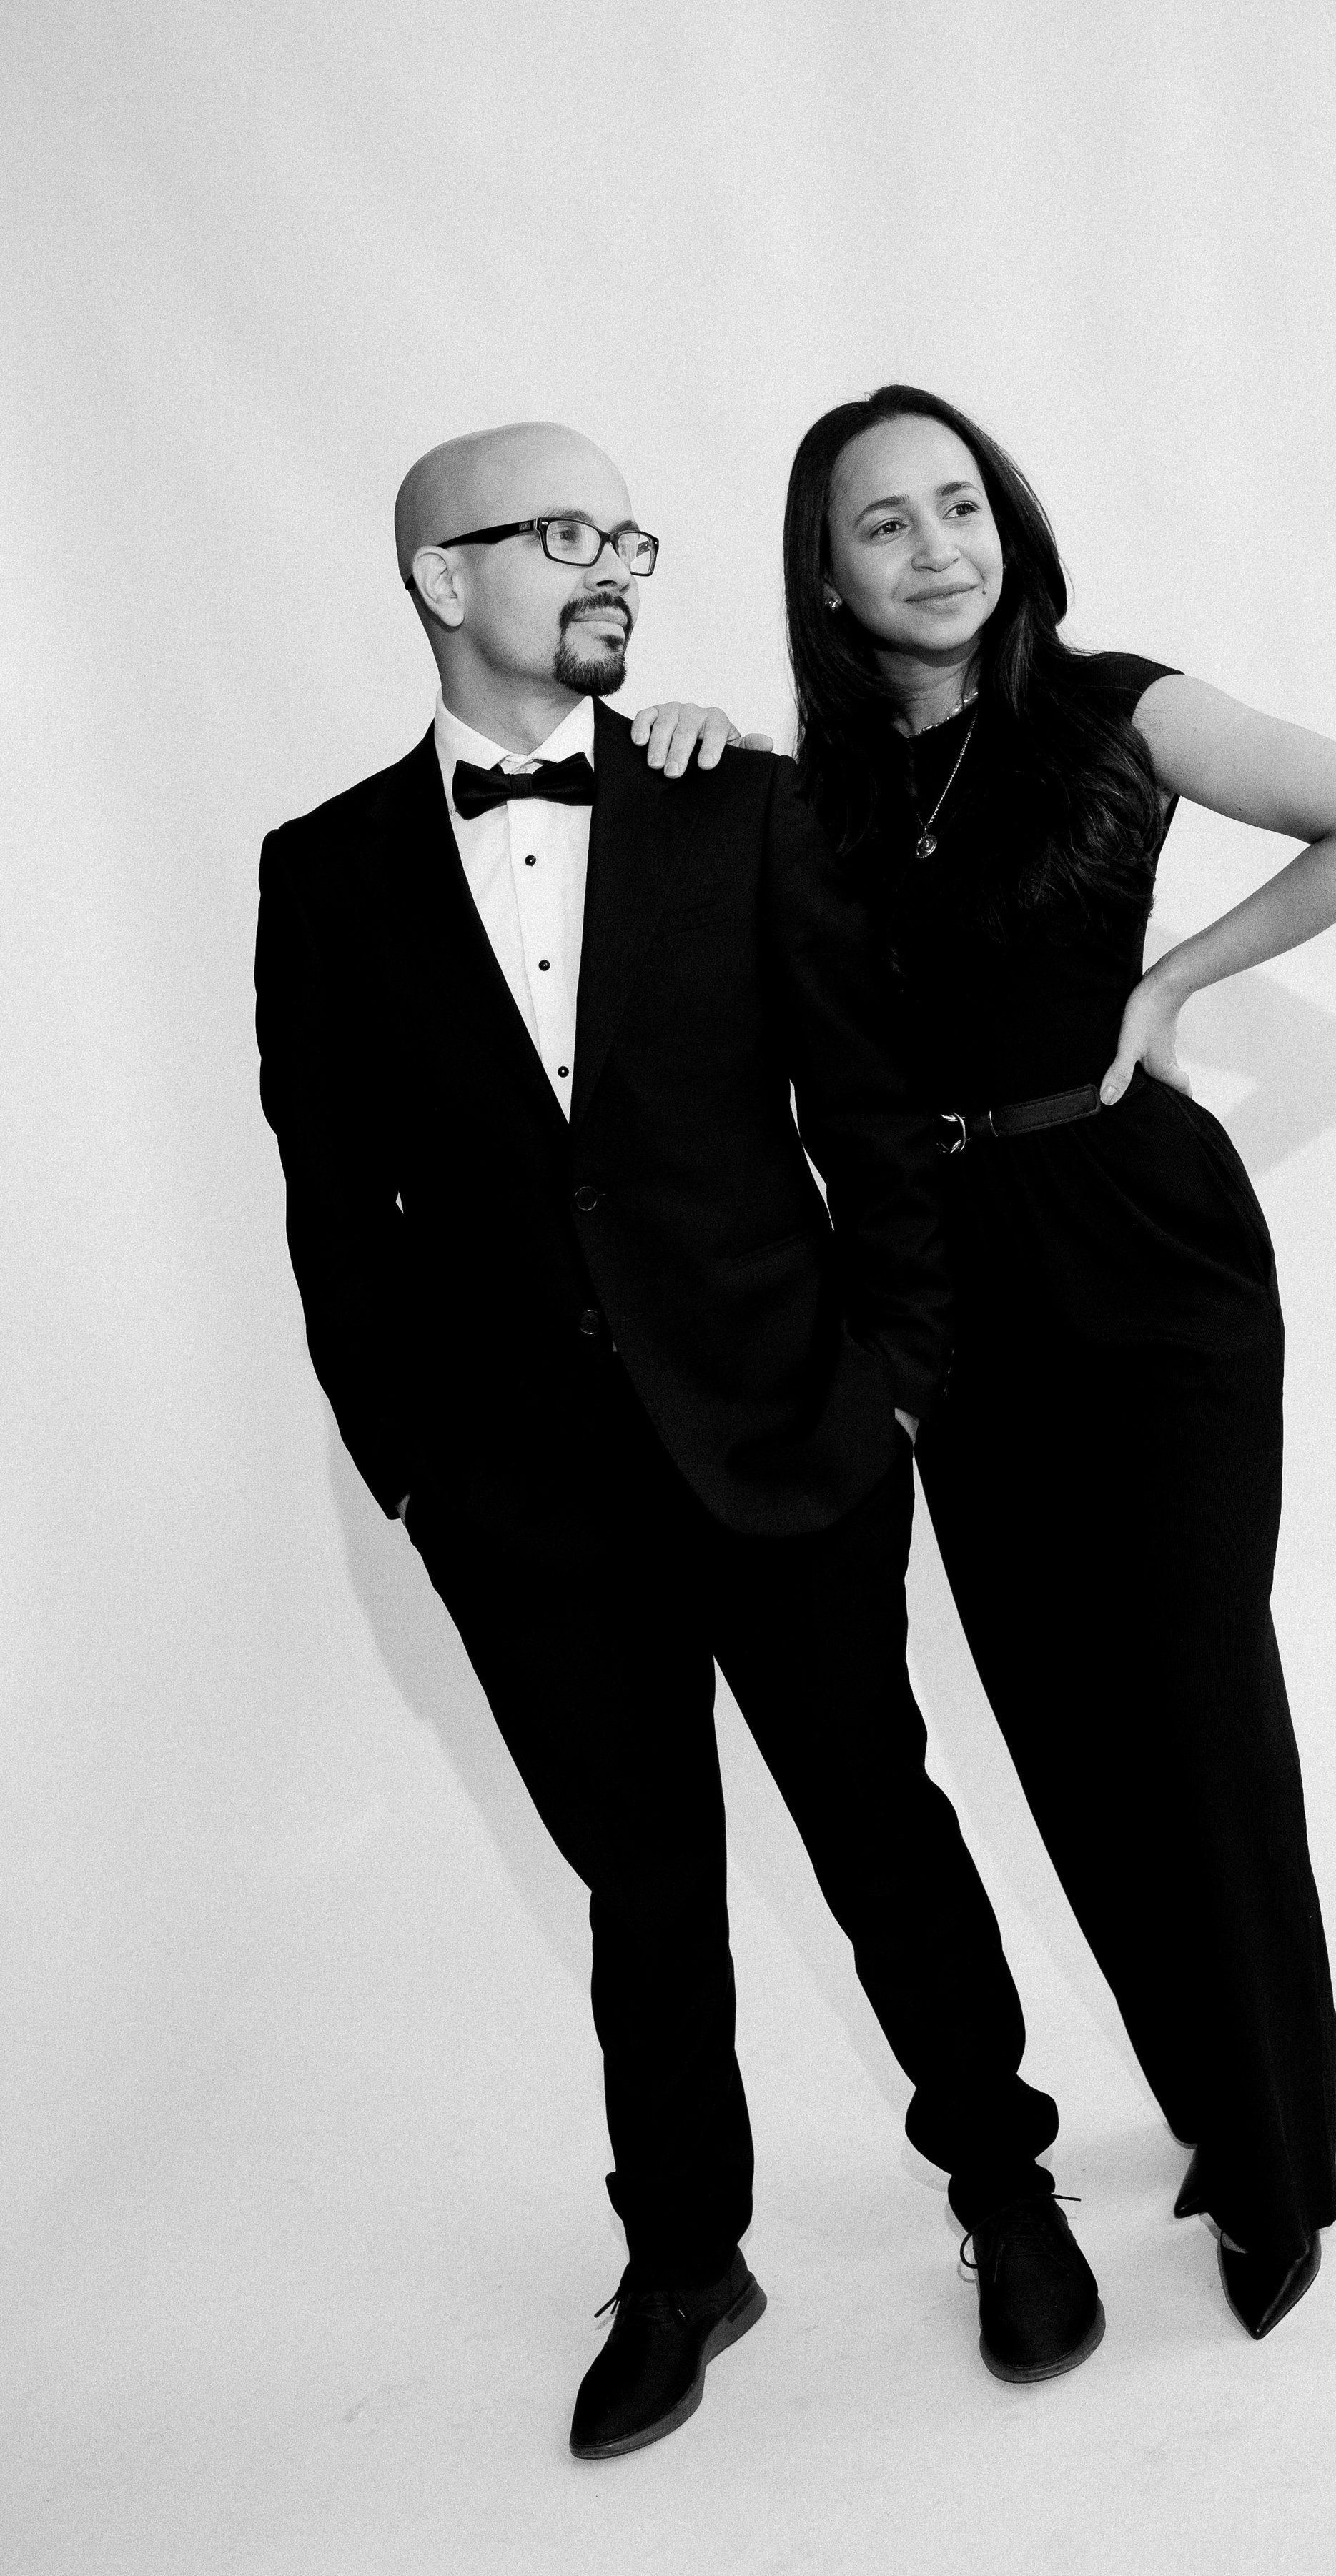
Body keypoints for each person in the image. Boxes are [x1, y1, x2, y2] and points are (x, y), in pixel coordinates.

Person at [254, 420, 1105, 2461]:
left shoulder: (740, 813)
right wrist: (416, 1465)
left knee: (878, 1830)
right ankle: (682, 2258)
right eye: (558, 534)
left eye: (622, 530)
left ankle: (1001, 2186)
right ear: (444, 581)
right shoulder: (325, 871)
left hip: (783, 1430)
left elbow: (867, 1116)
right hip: (527, 1497)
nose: (609, 561)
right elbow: (330, 1197)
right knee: (644, 1894)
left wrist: (892, 1373)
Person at [646, 382, 1336, 2339]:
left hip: (1142, 1248)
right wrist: (663, 752)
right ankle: (1236, 2073)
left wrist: (1169, 982)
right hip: (941, 1282)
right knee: (1064, 1730)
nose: (936, 546)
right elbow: (679, 924)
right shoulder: (806, 794)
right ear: (822, 578)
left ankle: (1278, 2147)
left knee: (1191, 1693)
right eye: (882, 525)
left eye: (957, 504)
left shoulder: (1113, 710)